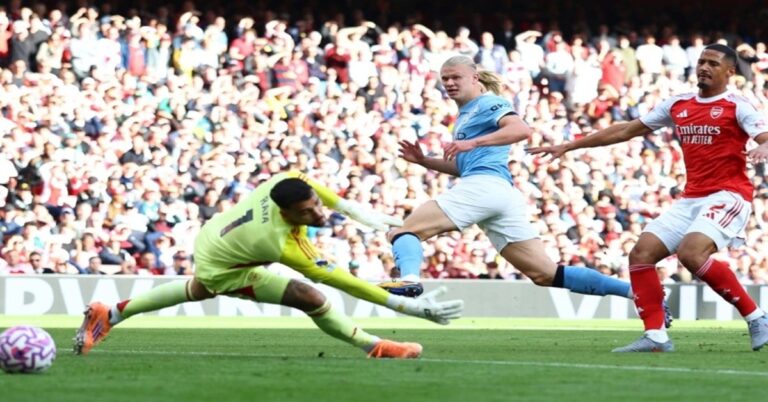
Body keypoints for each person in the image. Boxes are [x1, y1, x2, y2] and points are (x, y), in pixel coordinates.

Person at [528, 44, 768, 352]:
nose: (704, 67)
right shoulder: (678, 104)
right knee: (641, 254)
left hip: (729, 194)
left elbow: (764, 135)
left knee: (691, 254)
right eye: (701, 62)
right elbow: (626, 130)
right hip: (691, 197)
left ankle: (756, 317)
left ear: (729, 72)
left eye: (712, 63)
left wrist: (762, 147)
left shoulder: (739, 106)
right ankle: (656, 337)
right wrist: (569, 146)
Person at [74, 171, 464, 359]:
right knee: (312, 297)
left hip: (216, 236)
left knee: (196, 290)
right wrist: (404, 305)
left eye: (315, 205)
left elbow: (318, 191)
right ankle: (376, 346)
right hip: (226, 262)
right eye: (306, 212)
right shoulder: (278, 242)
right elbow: (341, 280)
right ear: (285, 213)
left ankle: (109, 313)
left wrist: (363, 215)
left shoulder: (286, 183)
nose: (317, 213)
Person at [380, 55, 644, 313]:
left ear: (474, 78)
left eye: (455, 77)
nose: (449, 83)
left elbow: (521, 130)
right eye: (445, 79)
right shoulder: (466, 114)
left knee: (404, 232)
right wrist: (424, 160)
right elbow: (463, 167)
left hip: (483, 187)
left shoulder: (488, 103)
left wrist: (471, 142)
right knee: (545, 274)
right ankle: (636, 292)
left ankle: (409, 279)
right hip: (498, 193)